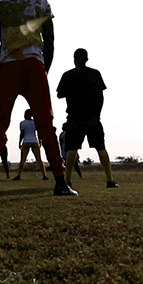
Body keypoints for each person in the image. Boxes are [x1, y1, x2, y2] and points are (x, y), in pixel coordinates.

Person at [0, 0, 75, 197]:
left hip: (8, 66)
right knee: (46, 124)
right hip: (34, 65)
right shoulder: (40, 1)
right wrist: (45, 69)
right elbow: (50, 41)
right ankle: (60, 182)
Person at [57, 48, 118, 188]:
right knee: (101, 147)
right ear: (86, 59)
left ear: (74, 59)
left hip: (74, 117)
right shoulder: (94, 74)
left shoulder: (68, 75)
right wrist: (97, 113)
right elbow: (101, 96)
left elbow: (59, 94)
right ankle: (110, 180)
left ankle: (67, 181)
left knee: (72, 149)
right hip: (92, 117)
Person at [13, 109, 48, 180]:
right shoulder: (35, 122)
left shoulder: (22, 123)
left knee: (22, 160)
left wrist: (19, 142)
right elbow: (38, 133)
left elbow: (22, 134)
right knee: (39, 159)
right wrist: (40, 141)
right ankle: (44, 175)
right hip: (34, 141)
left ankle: (18, 175)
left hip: (26, 141)